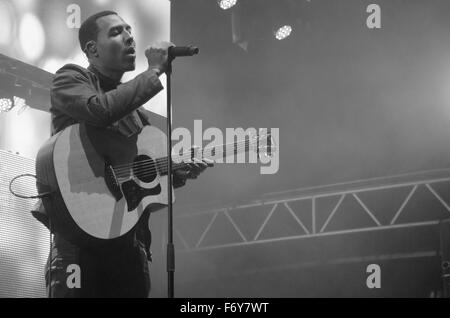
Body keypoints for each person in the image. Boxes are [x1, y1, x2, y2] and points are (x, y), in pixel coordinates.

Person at [41, 10, 211, 298]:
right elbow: (99, 110)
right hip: (79, 249)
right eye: (117, 32)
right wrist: (154, 70)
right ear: (92, 49)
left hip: (129, 248)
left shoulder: (137, 115)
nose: (130, 37)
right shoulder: (70, 78)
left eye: (130, 30)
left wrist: (176, 174)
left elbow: (135, 179)